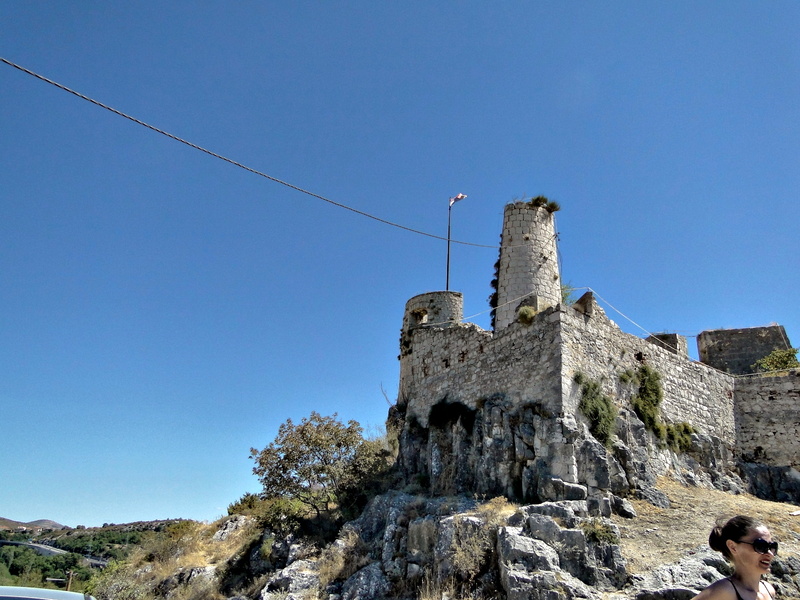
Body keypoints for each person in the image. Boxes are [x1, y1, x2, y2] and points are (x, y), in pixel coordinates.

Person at [692, 515, 777, 599]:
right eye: (761, 545)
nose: (770, 554)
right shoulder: (724, 591)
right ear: (733, 547)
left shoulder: (769, 590)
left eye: (772, 546)